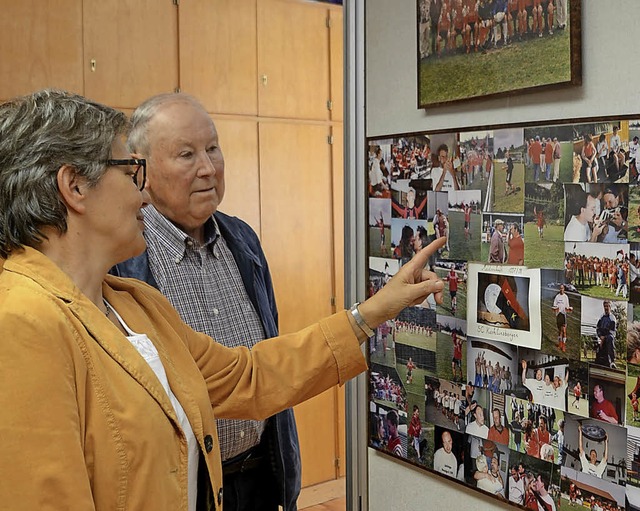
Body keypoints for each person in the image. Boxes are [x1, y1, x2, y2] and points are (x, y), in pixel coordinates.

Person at [0, 89, 447, 510]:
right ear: (74, 187)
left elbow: (248, 376)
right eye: (129, 171)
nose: (142, 191)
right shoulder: (22, 321)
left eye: (211, 150)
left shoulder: (134, 304)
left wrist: (373, 311)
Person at [109, 92, 303, 511]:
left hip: (261, 476)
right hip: (186, 488)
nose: (207, 168)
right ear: (139, 168)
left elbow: (268, 355)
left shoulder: (243, 240)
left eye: (213, 148)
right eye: (186, 154)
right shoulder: (121, 261)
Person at [594, 300, 616, 368]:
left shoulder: (612, 318)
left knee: (610, 338)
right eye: (605, 306)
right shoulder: (601, 317)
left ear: (610, 307)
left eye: (607, 306)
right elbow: (598, 328)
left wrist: (604, 338)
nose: (606, 308)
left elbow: (611, 331)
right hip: (601, 338)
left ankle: (612, 361)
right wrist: (600, 336)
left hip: (608, 338)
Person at [552, 284, 572, 352]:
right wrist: (556, 308)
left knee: (564, 331)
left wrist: (568, 309)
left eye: (562, 288)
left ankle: (563, 346)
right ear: (559, 289)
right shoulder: (557, 297)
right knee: (559, 331)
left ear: (564, 289)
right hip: (558, 315)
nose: (561, 289)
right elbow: (554, 305)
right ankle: (560, 344)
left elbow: (567, 306)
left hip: (563, 315)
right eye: (560, 288)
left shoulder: (566, 297)